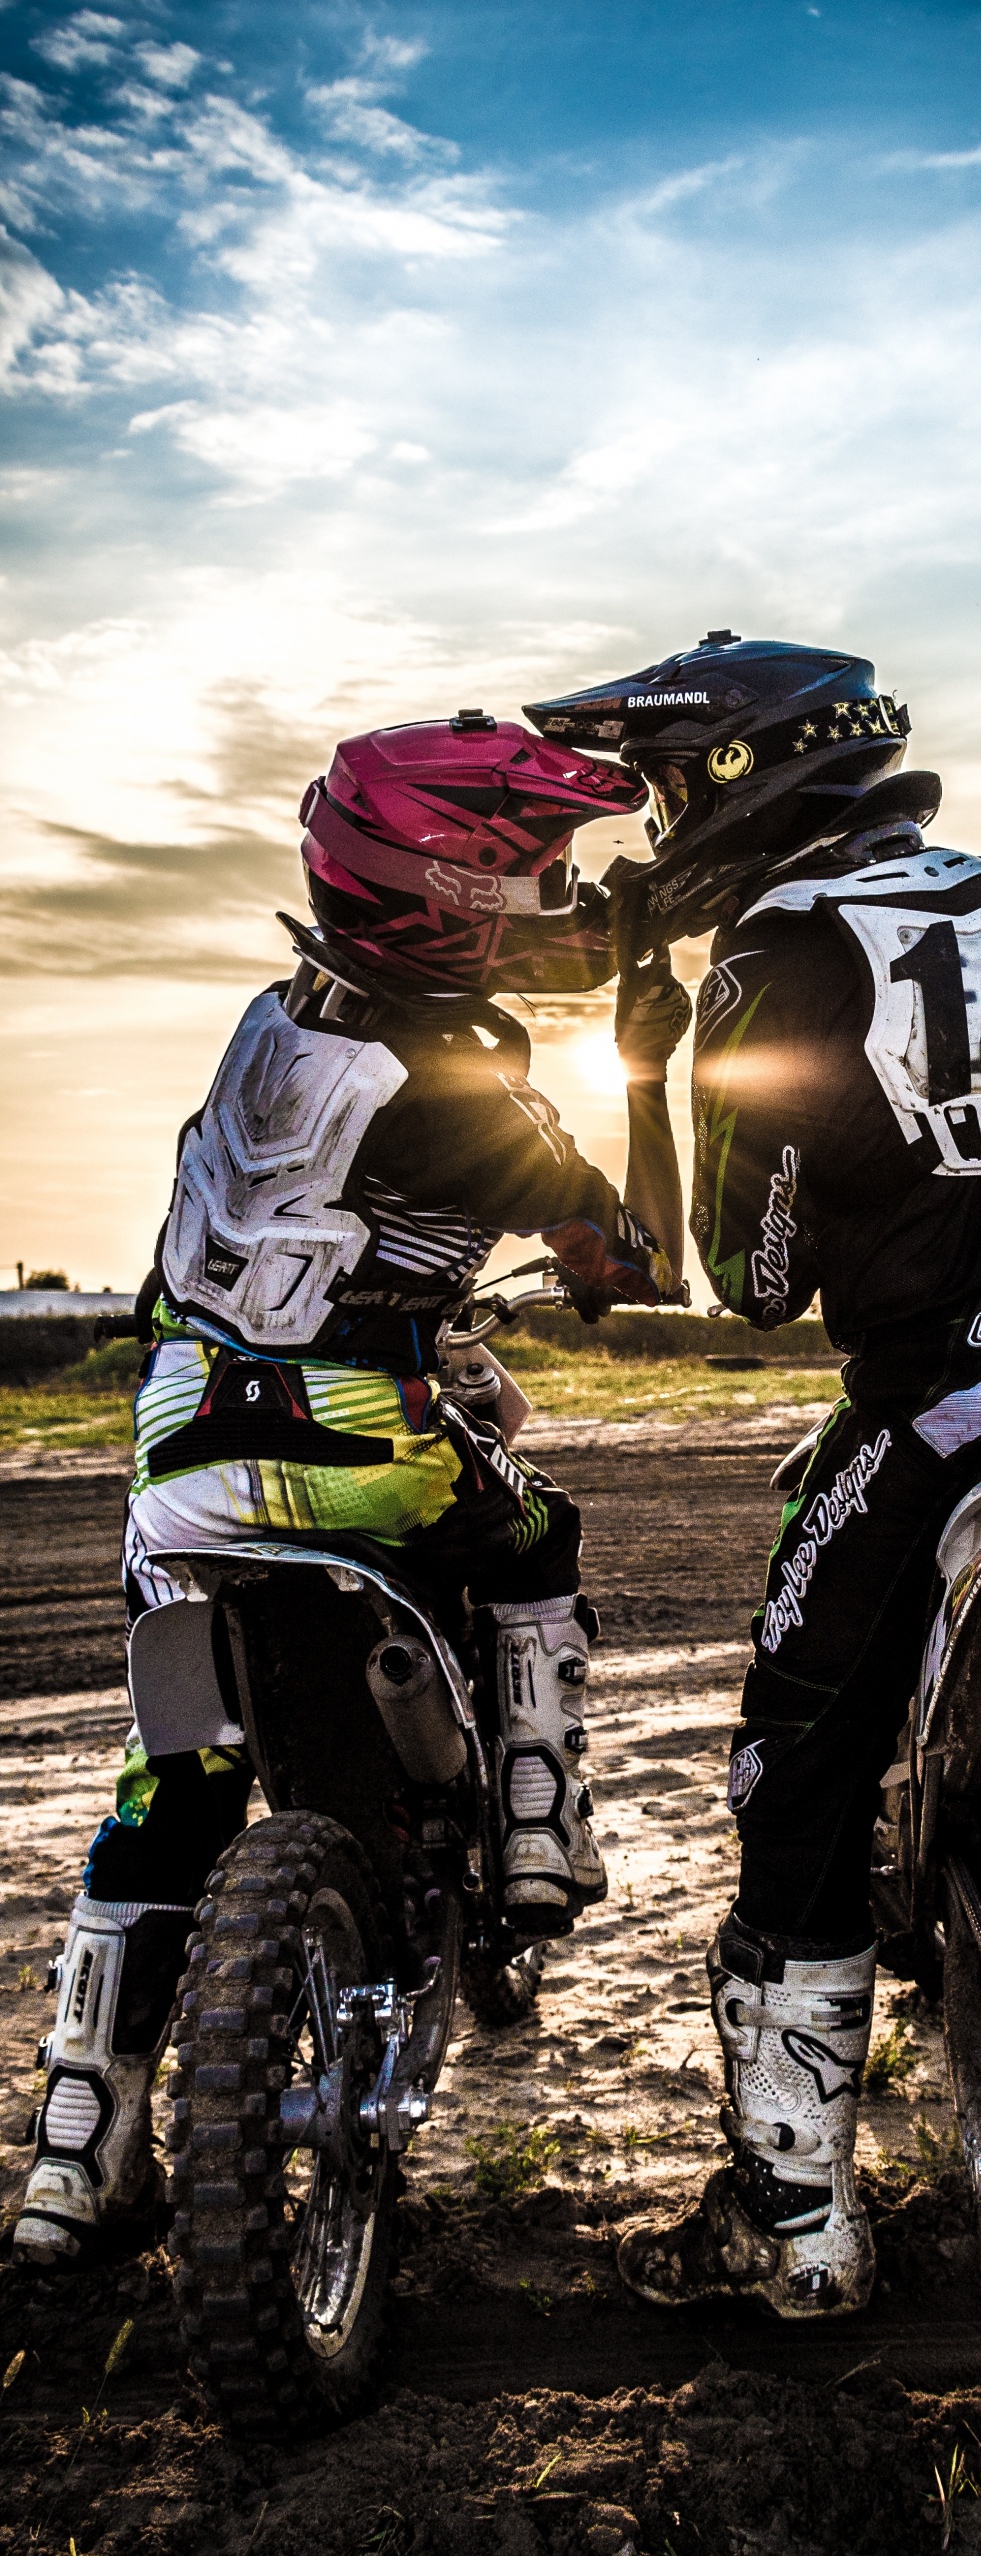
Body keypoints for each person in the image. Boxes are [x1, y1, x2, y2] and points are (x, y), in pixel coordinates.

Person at [526, 633, 981, 2320]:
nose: (652, 832)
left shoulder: (777, 958)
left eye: (660, 787)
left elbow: (756, 1273)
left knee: (794, 1758)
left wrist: (656, 1074)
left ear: (736, 776)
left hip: (948, 1403)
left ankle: (793, 2220)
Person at [16, 710, 690, 2266]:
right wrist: (645, 1078)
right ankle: (535, 1822)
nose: (555, 903)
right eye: (533, 877)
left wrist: (607, 945)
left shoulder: (272, 1022)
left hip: (181, 1451)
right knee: (534, 1536)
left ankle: (77, 2144)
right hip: (353, 1444)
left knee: (168, 1787)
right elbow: (623, 1266)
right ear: (455, 893)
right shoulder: (464, 1092)